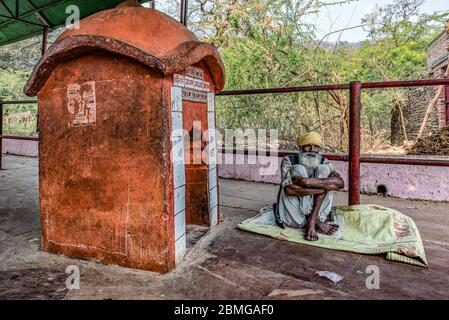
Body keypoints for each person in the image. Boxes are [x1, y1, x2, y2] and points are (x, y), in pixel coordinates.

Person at [273, 132, 345, 241]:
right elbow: (289, 190)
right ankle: (315, 222)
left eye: (316, 146)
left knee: (323, 170)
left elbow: (340, 183)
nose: (312, 149)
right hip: (295, 217)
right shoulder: (289, 160)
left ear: (319, 149)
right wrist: (323, 187)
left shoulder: (324, 162)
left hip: (319, 214)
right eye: (308, 145)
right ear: (301, 147)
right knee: (298, 169)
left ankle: (312, 222)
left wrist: (306, 182)